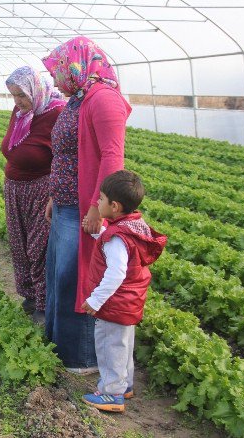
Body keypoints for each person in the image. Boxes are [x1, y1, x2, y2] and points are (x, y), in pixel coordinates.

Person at [42, 36, 132, 374]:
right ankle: (57, 343)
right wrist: (54, 194)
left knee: (79, 277)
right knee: (58, 276)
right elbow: (65, 154)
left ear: (75, 65)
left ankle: (81, 357)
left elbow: (113, 157)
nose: (53, 79)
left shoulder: (104, 98)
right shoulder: (78, 98)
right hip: (66, 204)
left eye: (56, 71)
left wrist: (97, 207)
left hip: (84, 209)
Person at [80, 170, 167, 412]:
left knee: (110, 348)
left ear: (114, 206)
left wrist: (96, 300)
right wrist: (99, 233)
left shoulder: (118, 238)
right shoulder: (133, 226)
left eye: (101, 198)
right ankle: (125, 385)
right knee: (123, 346)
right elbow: (124, 250)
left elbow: (116, 272)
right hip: (130, 301)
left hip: (114, 303)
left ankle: (111, 394)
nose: (97, 202)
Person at [1, 66, 65, 323]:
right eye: (13, 95)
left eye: (22, 95)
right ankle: (28, 294)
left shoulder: (56, 112)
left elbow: (63, 156)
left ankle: (43, 302)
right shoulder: (20, 113)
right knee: (19, 244)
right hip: (15, 187)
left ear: (36, 90)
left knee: (39, 247)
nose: (17, 101)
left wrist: (55, 192)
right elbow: (12, 145)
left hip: (41, 188)